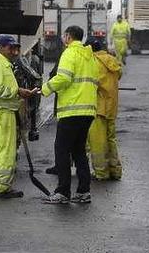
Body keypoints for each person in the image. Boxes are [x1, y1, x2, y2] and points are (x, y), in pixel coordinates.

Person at [41, 25, 99, 204]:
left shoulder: (69, 53)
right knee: (79, 151)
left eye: (64, 36)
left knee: (62, 150)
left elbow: (64, 78)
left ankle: (63, 192)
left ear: (68, 37)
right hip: (87, 111)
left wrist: (45, 88)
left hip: (71, 110)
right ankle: (83, 192)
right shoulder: (89, 57)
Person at [0, 34, 39, 199]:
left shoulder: (3, 64)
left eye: (16, 48)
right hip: (3, 112)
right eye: (11, 48)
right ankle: (2, 188)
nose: (15, 51)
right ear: (0, 47)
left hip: (3, 111)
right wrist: (18, 91)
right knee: (7, 151)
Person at [85, 36, 123, 180]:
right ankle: (115, 170)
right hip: (111, 107)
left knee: (97, 142)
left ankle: (102, 172)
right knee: (111, 139)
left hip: (98, 107)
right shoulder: (112, 60)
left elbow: (93, 83)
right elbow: (118, 75)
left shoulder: (94, 62)